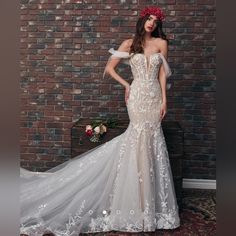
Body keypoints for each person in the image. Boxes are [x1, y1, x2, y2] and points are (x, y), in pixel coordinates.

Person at [20, 6, 180, 236]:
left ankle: (152, 209)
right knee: (137, 139)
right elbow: (109, 68)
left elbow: (163, 73)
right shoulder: (129, 43)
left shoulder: (161, 44)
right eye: (149, 19)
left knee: (153, 139)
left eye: (155, 20)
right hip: (136, 97)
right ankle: (134, 205)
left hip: (154, 97)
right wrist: (127, 85)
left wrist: (165, 100)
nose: (152, 23)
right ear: (142, 20)